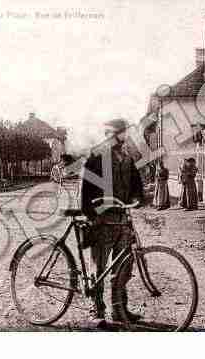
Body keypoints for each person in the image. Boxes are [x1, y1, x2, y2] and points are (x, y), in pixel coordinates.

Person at [81, 118, 145, 324]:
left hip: (122, 220)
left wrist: (138, 197)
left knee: (123, 267)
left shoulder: (127, 157)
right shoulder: (96, 157)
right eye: (122, 133)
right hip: (102, 220)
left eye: (125, 132)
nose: (125, 136)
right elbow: (85, 191)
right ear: (112, 134)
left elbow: (136, 184)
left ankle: (119, 309)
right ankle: (96, 310)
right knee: (98, 268)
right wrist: (91, 216)